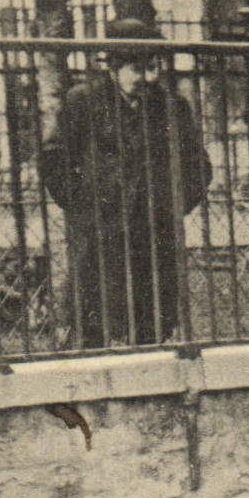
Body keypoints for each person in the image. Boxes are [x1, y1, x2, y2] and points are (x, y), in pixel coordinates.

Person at [40, 20, 212, 349]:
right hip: (101, 232)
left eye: (153, 68)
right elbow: (53, 158)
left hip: (154, 232)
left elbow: (198, 166)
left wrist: (172, 205)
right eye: (137, 69)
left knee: (153, 323)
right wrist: (83, 202)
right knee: (97, 321)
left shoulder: (173, 107)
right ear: (114, 67)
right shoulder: (83, 102)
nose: (148, 78)